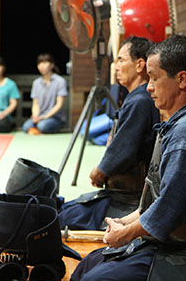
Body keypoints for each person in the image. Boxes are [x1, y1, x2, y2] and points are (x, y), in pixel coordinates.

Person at [70, 35, 186, 281]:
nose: (149, 87)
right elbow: (157, 199)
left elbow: (170, 209)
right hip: (165, 243)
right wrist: (125, 223)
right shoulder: (176, 126)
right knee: (83, 270)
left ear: (182, 80)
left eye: (154, 78)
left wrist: (125, 235)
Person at [59, 36, 160, 230]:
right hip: (122, 194)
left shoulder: (140, 101)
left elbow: (124, 149)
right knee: (66, 207)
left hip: (129, 200)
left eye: (121, 60)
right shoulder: (138, 97)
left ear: (140, 65)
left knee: (63, 216)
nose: (116, 67)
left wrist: (101, 171)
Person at [22, 53, 68, 134]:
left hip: (55, 117)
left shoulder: (60, 81)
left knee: (43, 126)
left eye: (44, 63)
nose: (41, 66)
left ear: (52, 65)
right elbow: (35, 103)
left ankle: (39, 129)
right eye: (39, 63)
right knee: (26, 127)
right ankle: (37, 129)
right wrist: (36, 116)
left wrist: (45, 117)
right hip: (40, 116)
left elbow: (59, 104)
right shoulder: (36, 82)